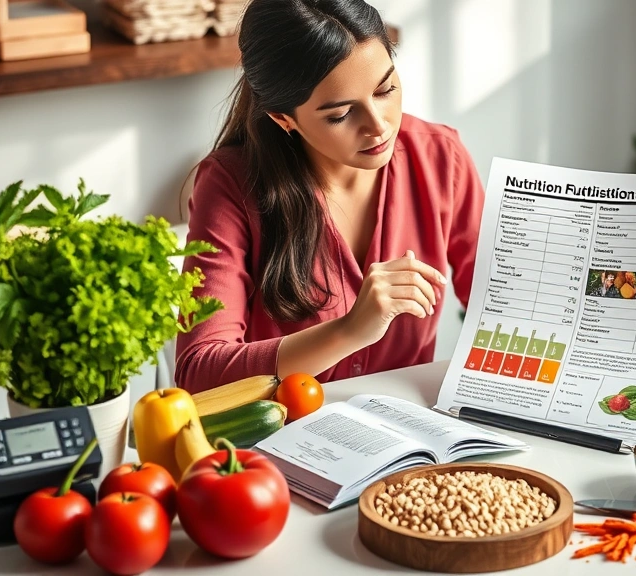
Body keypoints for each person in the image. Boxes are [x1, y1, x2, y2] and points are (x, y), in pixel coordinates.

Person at [175, 0, 485, 393]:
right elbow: (198, 373)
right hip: (283, 441)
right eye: (340, 115)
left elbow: (503, 303)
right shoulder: (231, 184)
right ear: (283, 118)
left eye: (385, 89)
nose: (378, 126)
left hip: (412, 437)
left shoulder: (441, 156)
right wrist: (350, 331)